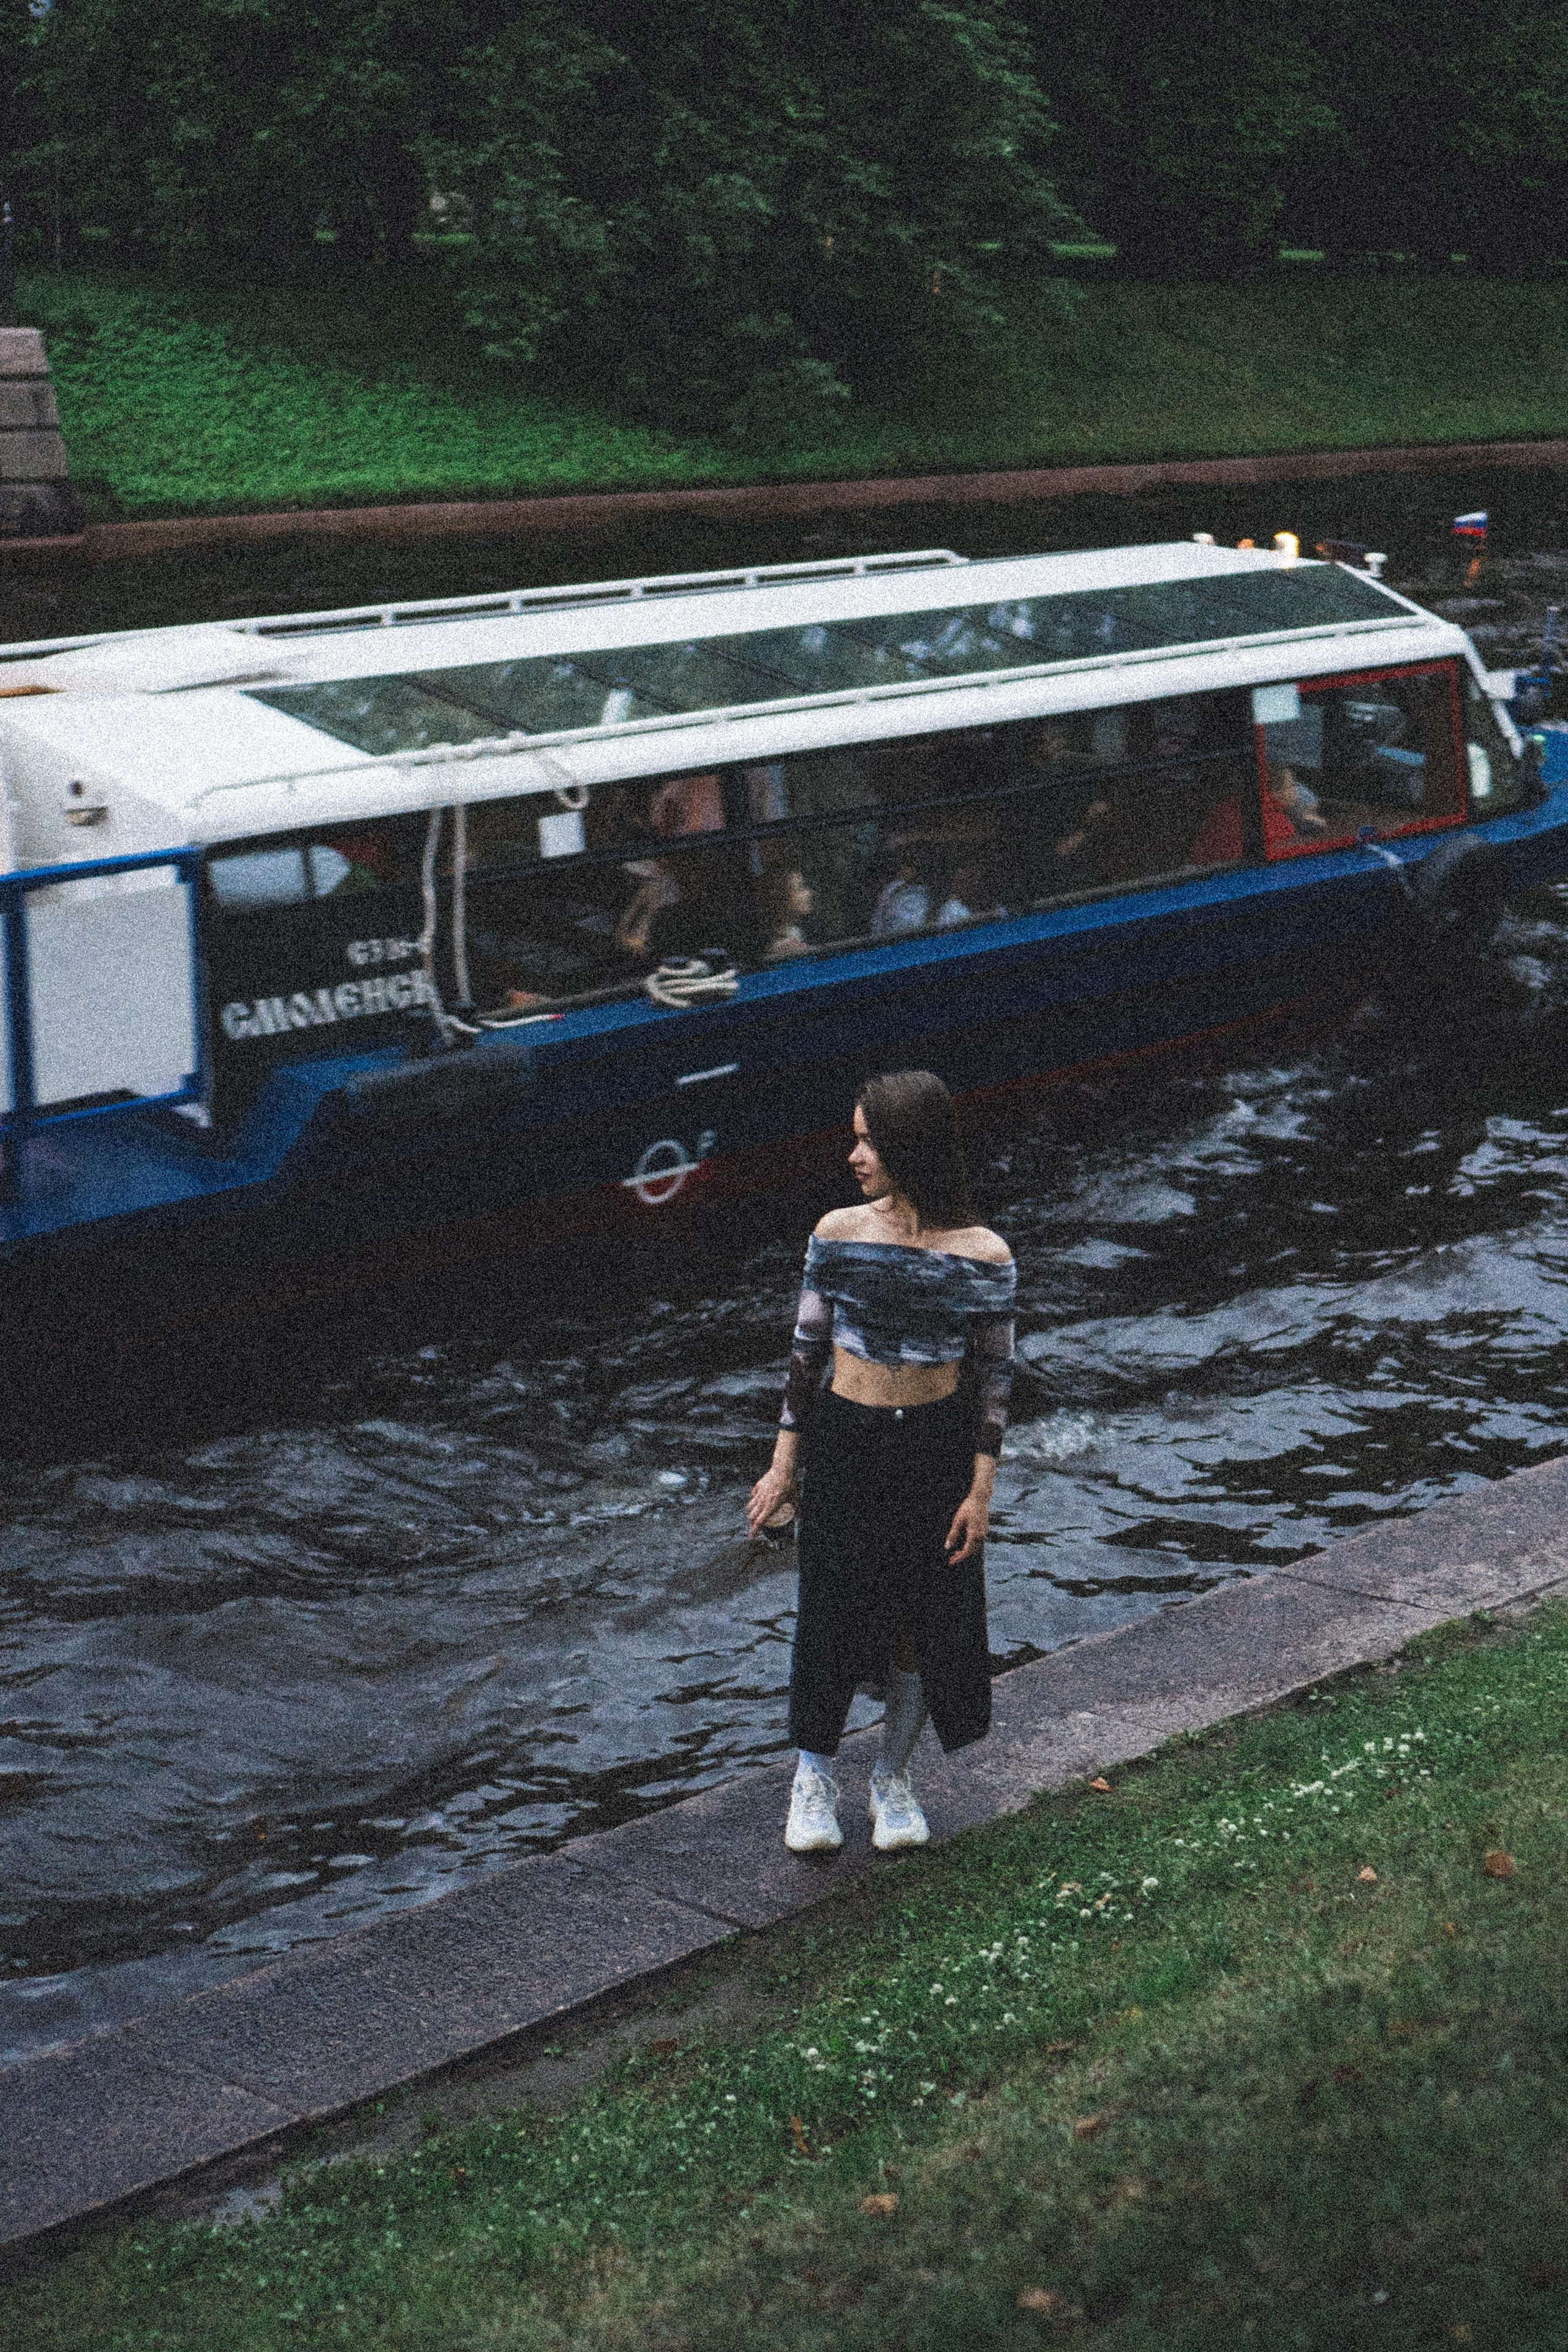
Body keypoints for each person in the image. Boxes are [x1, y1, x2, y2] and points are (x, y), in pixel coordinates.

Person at [746, 1070, 1016, 1854]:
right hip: (846, 1440)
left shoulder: (984, 1253)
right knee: (829, 1616)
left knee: (921, 1622)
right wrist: (780, 1470)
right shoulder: (836, 1233)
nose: (854, 1154)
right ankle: (813, 1781)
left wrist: (980, 1493)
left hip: (934, 1446)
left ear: (910, 1146)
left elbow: (996, 1379)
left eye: (869, 1139)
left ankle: (892, 1781)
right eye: (856, 1136)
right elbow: (804, 1359)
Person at [758, 867, 814, 959]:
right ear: (782, 897)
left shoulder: (799, 931)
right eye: (800, 889)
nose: (808, 893)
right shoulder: (784, 946)